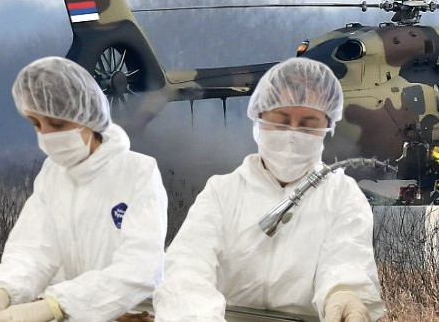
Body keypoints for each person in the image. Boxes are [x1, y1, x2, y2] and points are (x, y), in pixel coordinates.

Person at [153, 57, 385, 321]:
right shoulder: (223, 192)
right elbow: (187, 267)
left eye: (309, 124)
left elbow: (346, 259)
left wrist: (344, 294)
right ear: (259, 120)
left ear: (327, 128)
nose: (292, 134)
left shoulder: (342, 196)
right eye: (281, 120)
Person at [0, 57, 167, 322]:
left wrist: (55, 305)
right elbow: (33, 250)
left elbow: (140, 269)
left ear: (87, 117)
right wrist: (3, 292)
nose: (45, 134)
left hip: (131, 316)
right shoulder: (52, 175)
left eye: (56, 125)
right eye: (36, 124)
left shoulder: (138, 173)